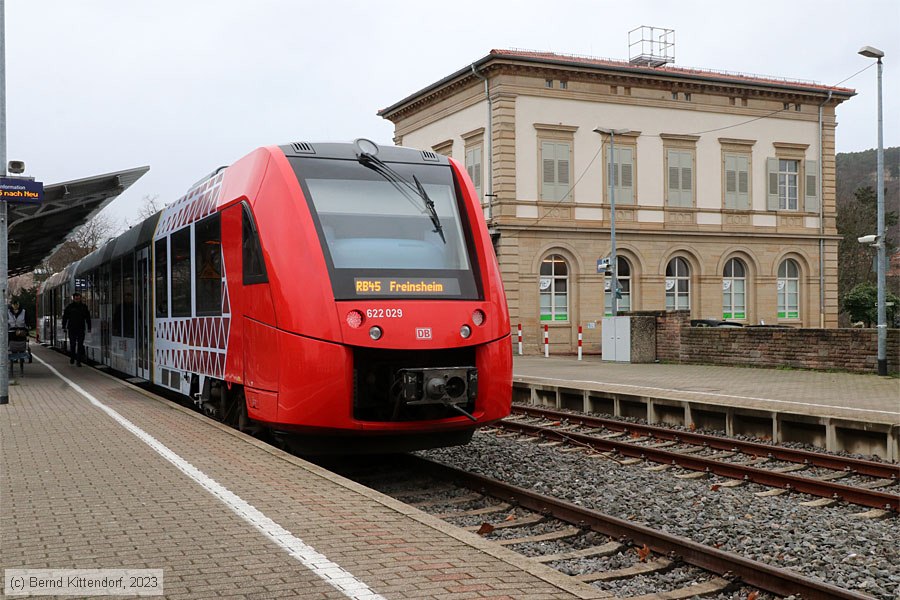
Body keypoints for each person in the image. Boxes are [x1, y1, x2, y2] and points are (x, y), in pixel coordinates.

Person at [62, 292, 91, 366]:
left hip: (81, 328)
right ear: (73, 299)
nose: (77, 300)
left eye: (78, 298)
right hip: (72, 328)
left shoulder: (84, 307)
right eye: (76, 298)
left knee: (80, 344)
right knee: (73, 344)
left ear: (80, 298)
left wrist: (89, 327)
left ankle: (78, 361)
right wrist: (64, 326)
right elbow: (65, 317)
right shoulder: (70, 307)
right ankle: (72, 357)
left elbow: (87, 317)